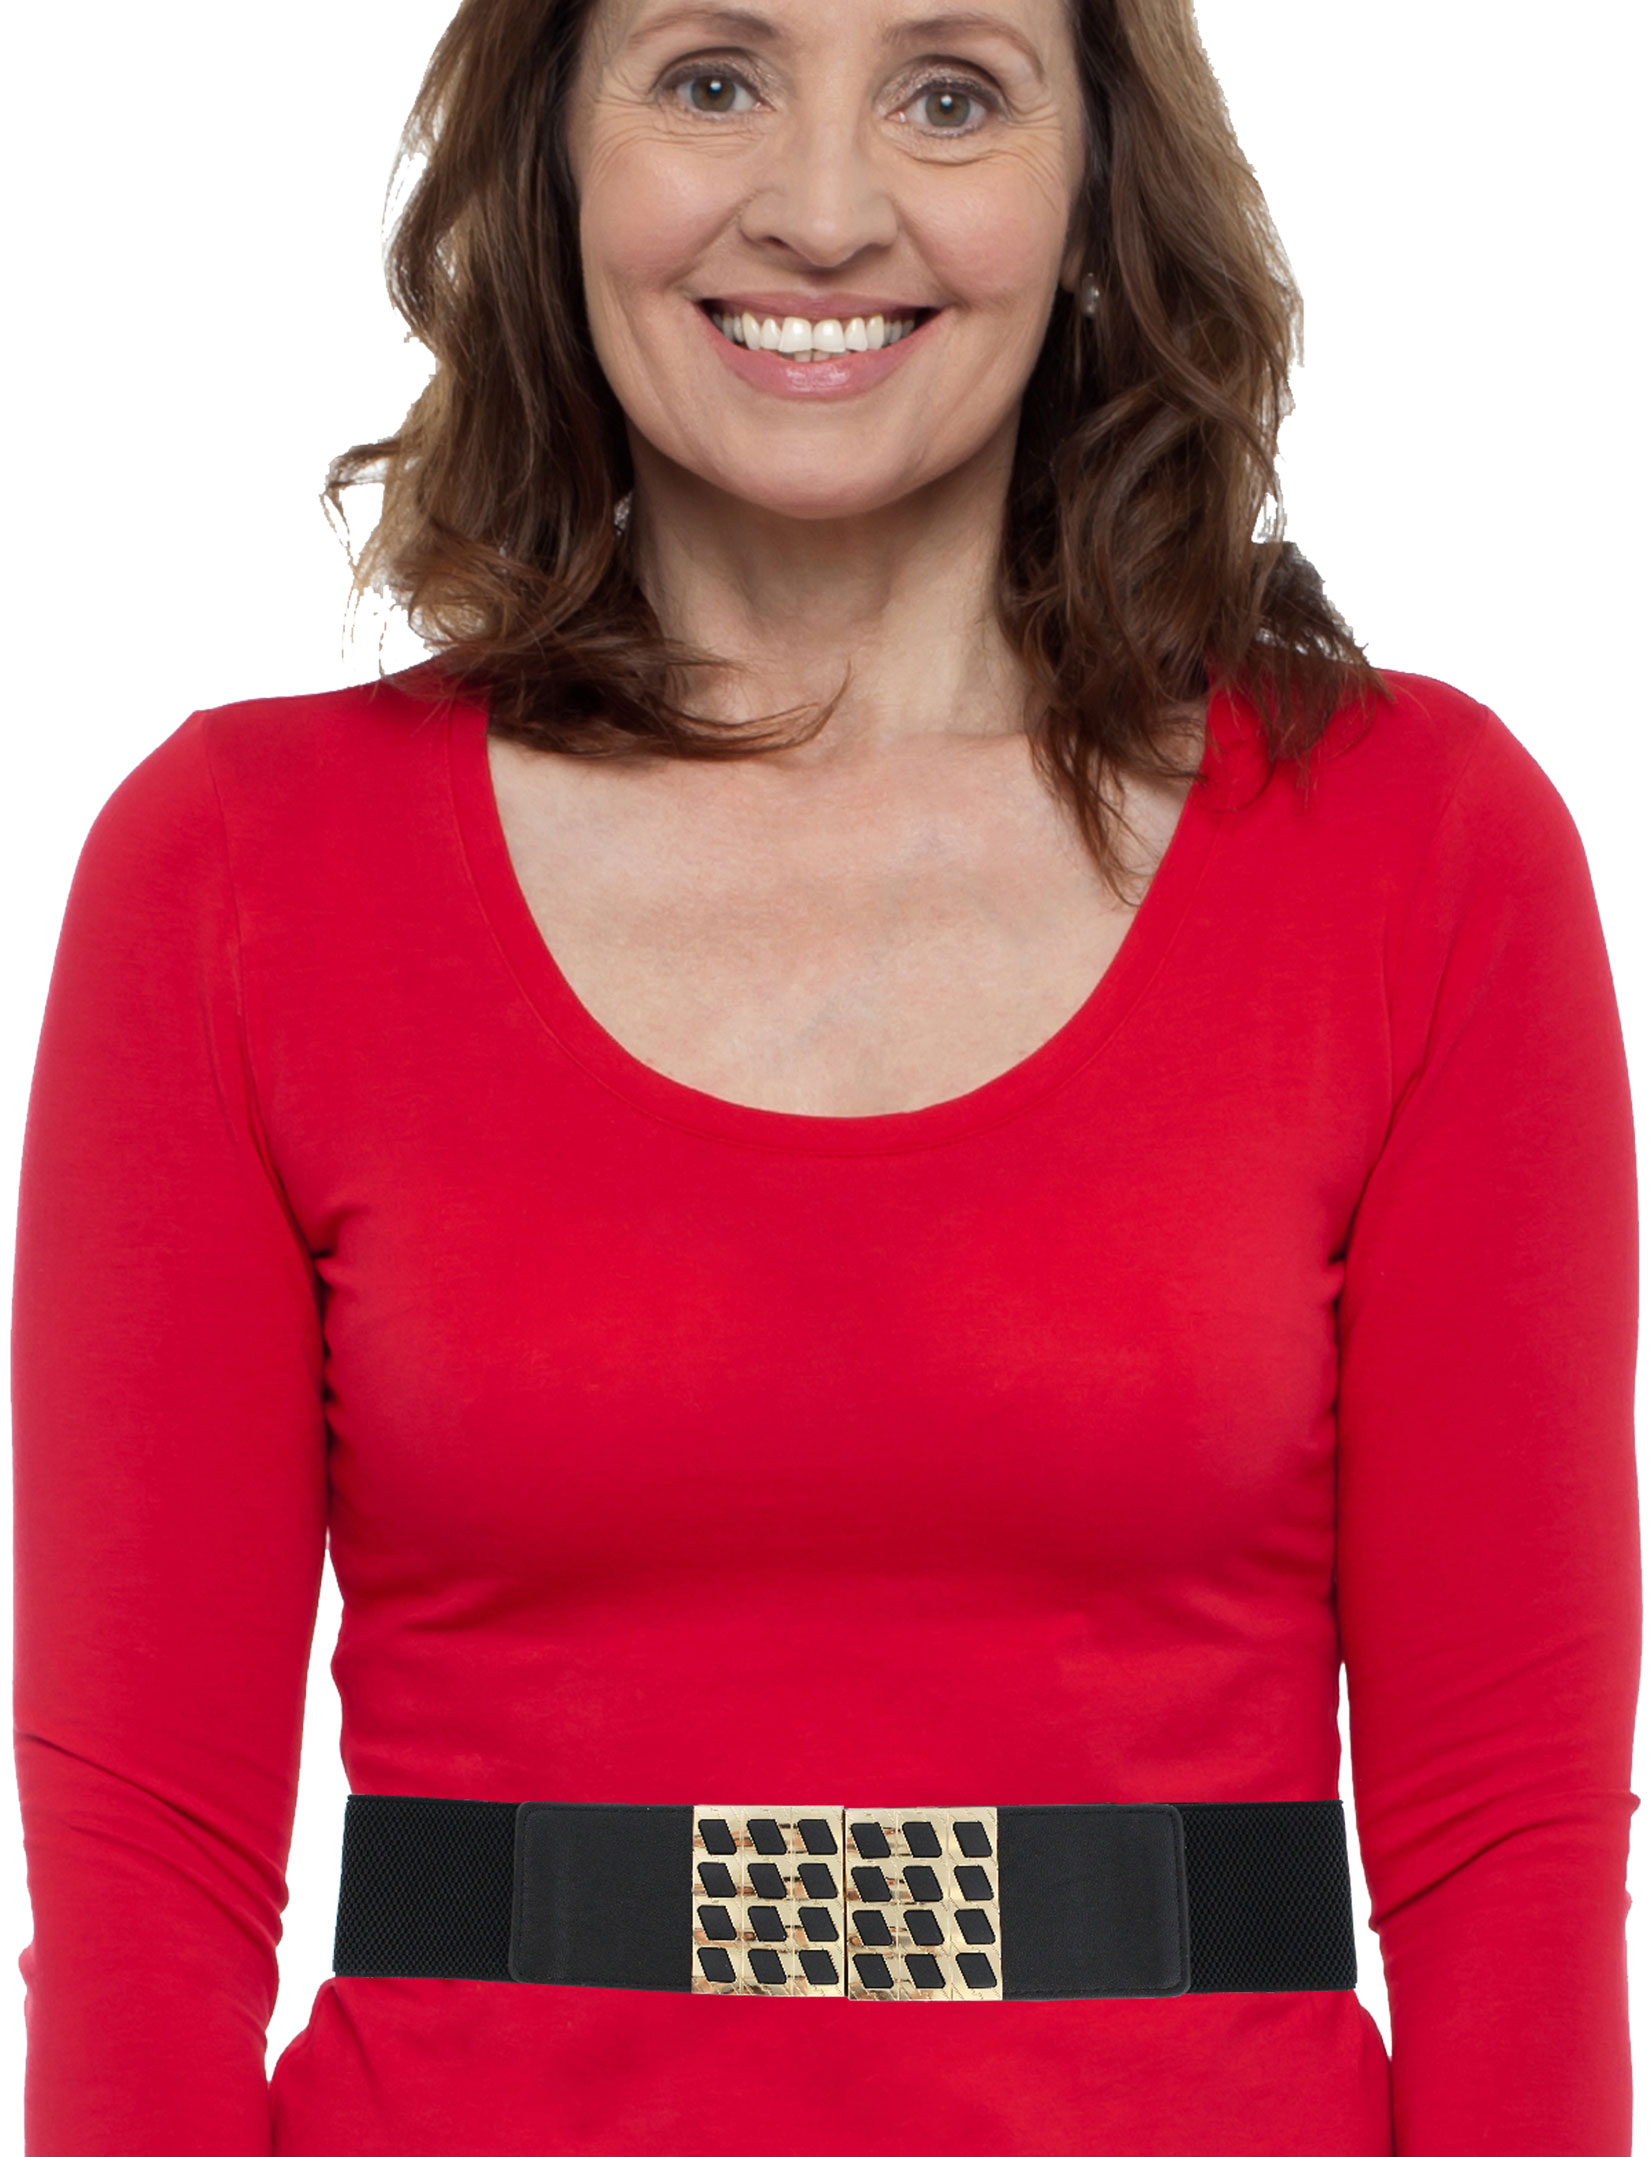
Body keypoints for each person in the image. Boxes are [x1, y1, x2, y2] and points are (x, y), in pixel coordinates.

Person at [9, 0, 1639, 2149]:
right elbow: (145, 1871)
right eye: (713, 77)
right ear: (550, 155)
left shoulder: (1415, 849)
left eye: (950, 94)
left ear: (1096, 189)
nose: (823, 206)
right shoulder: (237, 872)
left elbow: (1506, 1851)